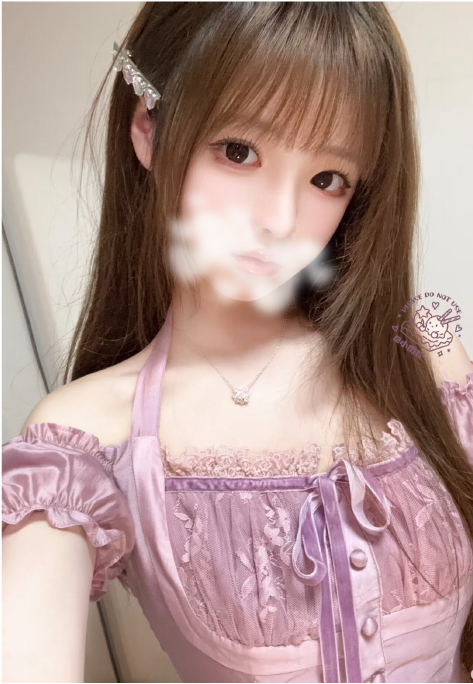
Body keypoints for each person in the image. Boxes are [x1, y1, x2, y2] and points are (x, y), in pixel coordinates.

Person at [3, 3, 473, 682]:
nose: (279, 220)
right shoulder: (87, 437)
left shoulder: (420, 346)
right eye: (238, 151)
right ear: (149, 129)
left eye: (326, 179)